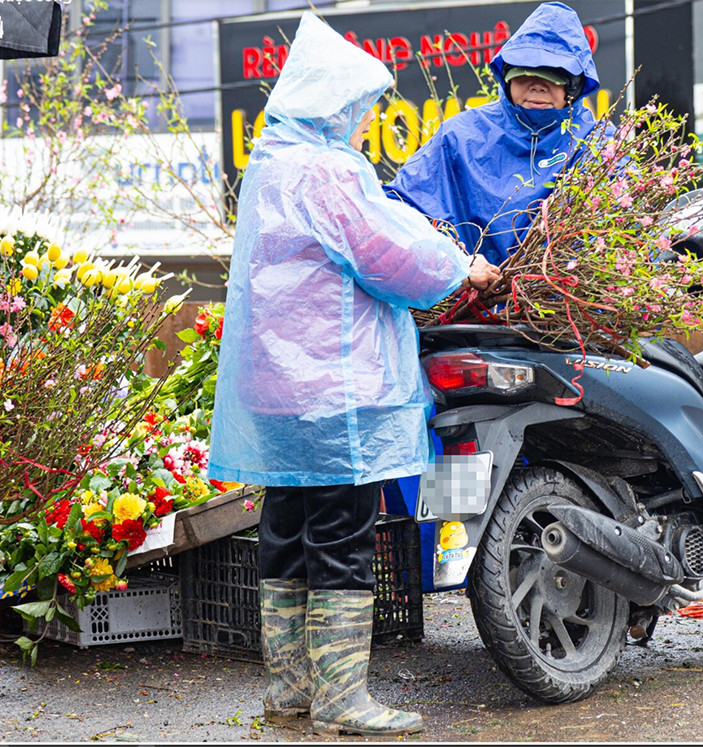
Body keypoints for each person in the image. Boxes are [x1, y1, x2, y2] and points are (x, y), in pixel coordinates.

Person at [207, 12, 500, 737]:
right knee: (341, 536)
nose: (367, 123)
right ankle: (342, 700)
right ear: (335, 105)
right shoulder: (329, 170)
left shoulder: (269, 165)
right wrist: (464, 265)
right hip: (336, 392)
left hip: (276, 392)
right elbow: (392, 256)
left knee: (286, 530)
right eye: (363, 109)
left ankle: (290, 691)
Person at [384, 1, 605, 267]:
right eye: (524, 73)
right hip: (469, 303)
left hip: (566, 303)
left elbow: (626, 234)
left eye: (553, 75)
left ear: (575, 84)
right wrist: (456, 265)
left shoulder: (600, 144)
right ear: (506, 78)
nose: (537, 87)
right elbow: (399, 211)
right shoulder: (459, 137)